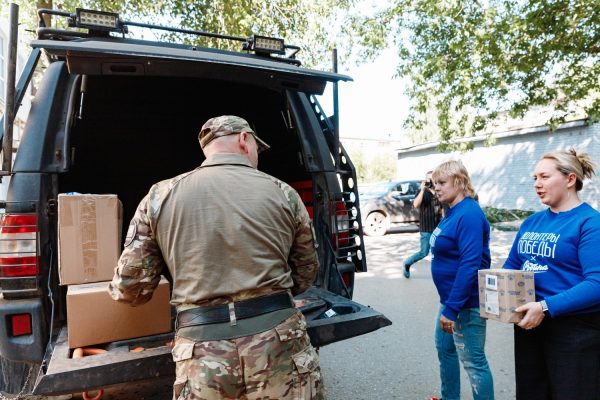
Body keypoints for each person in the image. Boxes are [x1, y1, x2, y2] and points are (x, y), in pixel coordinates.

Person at [108, 115, 325, 399]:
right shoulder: (283, 192)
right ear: (244, 140)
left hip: (201, 351)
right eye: (258, 147)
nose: (258, 154)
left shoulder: (158, 196)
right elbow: (306, 271)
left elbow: (131, 289)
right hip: (278, 340)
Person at [502, 148, 600, 400]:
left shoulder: (589, 223)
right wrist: (493, 294)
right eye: (535, 178)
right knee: (531, 393)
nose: (537, 184)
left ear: (570, 180)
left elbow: (596, 283)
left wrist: (545, 307)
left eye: (544, 177)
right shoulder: (531, 223)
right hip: (529, 324)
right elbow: (512, 266)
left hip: (574, 330)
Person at [429, 160, 494, 400]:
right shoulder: (452, 212)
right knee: (445, 350)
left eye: (442, 182)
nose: (437, 188)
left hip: (466, 303)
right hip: (450, 301)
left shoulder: (469, 213)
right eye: (435, 183)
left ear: (459, 181)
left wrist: (453, 308)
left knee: (474, 362)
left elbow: (470, 263)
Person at [403, 171, 441, 278]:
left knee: (440, 250)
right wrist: (422, 189)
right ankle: (407, 263)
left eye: (432, 178)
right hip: (426, 228)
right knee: (424, 252)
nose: (430, 181)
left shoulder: (438, 191)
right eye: (428, 179)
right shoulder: (422, 191)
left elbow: (442, 208)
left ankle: (440, 273)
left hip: (438, 228)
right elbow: (415, 204)